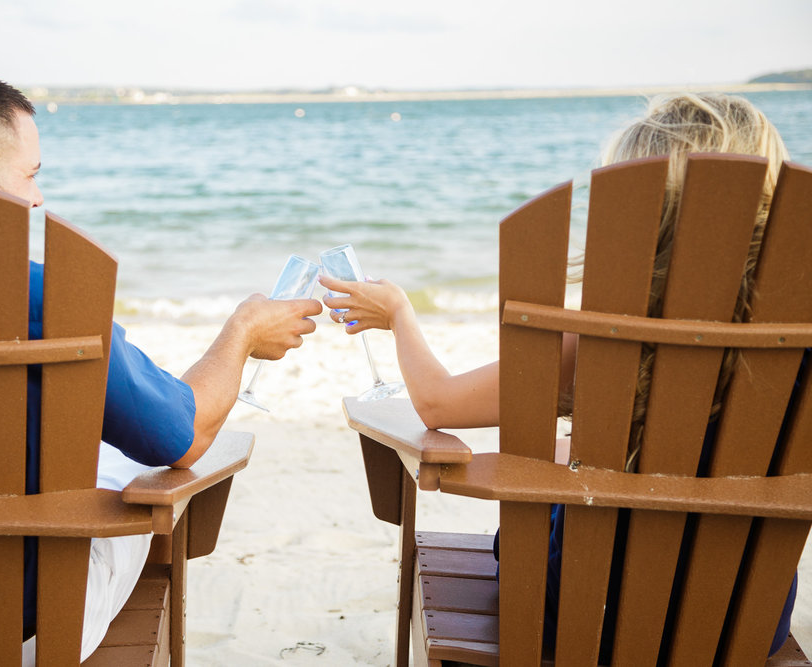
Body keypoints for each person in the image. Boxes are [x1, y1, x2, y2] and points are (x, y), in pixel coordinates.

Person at [0, 63, 322, 663]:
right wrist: (244, 333)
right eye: (30, 174)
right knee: (125, 466)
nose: (38, 194)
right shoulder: (39, 298)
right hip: (14, 634)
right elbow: (183, 436)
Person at [320, 92, 797, 657]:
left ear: (640, 211)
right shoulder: (797, 344)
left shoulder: (605, 340)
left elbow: (439, 406)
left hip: (585, 608)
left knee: (525, 530)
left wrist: (399, 314)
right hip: (743, 617)